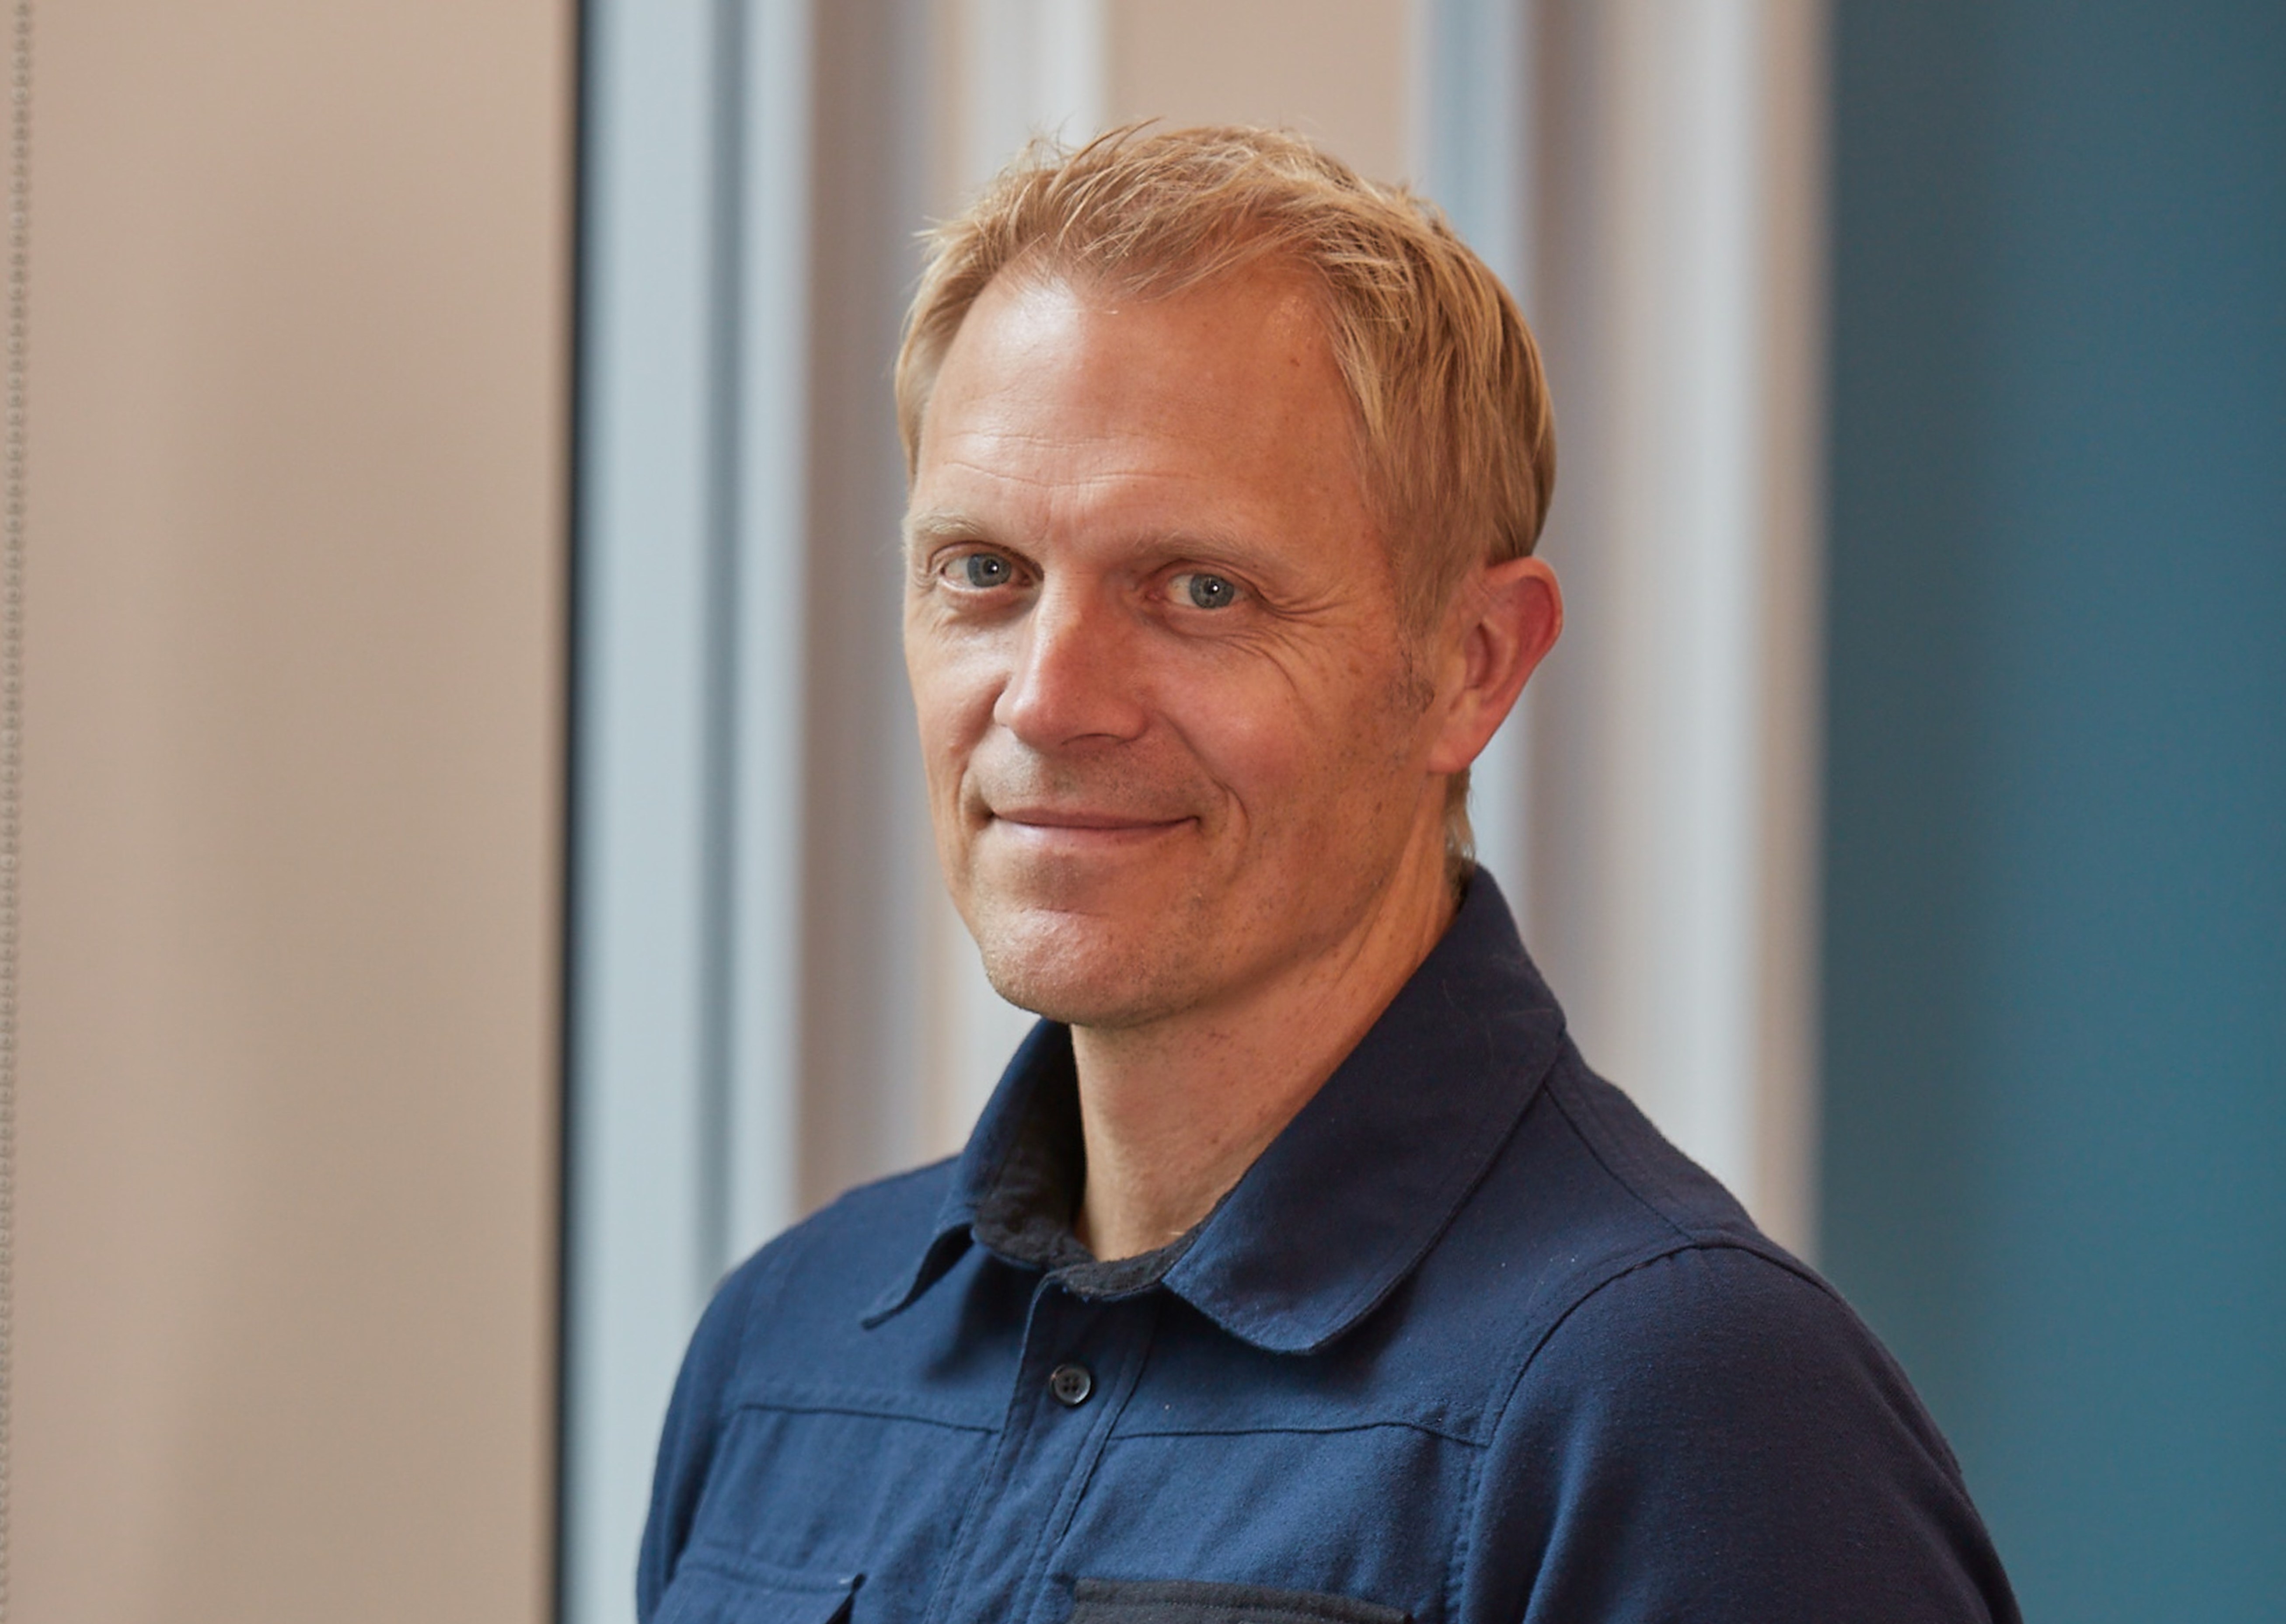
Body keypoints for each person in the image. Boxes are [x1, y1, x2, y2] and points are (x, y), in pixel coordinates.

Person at [638, 125, 2019, 1624]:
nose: (1046, 698)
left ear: (1469, 666)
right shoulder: (784, 1349)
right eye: (984, 571)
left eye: (1200, 590)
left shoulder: (1686, 1408)